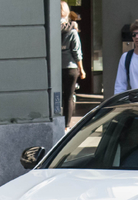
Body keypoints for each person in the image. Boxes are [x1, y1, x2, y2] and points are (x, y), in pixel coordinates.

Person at [61, 1, 86, 132]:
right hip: (70, 67)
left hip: (55, 68)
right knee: (68, 96)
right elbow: (77, 52)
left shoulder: (51, 28)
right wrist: (81, 69)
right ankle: (66, 125)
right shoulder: (72, 31)